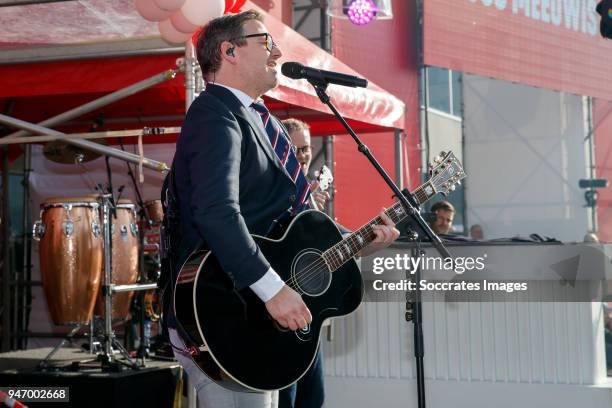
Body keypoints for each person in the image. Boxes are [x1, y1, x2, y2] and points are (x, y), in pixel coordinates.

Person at [163, 10, 399, 408]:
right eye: (266, 42)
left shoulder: (261, 121)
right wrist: (272, 290)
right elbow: (216, 212)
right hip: (218, 309)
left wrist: (358, 242)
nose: (276, 52)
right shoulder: (214, 114)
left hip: (251, 314)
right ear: (230, 51)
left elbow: (299, 220)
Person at [281, 118, 329, 211]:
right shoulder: (273, 185)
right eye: (295, 149)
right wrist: (304, 205)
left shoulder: (307, 188)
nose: (302, 155)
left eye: (306, 148)